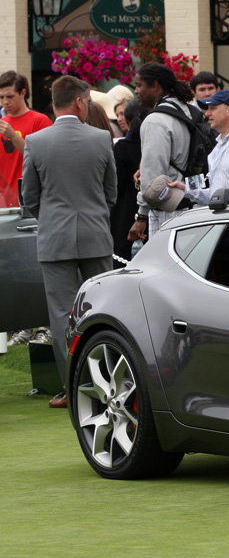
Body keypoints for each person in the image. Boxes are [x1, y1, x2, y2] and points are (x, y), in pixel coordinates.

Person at [21, 75, 116, 409]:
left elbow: (29, 196)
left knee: (62, 316)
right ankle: (109, 382)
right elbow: (111, 194)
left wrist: (50, 219)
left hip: (54, 238)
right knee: (104, 311)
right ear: (79, 101)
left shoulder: (36, 141)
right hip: (95, 235)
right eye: (88, 101)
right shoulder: (102, 138)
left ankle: (71, 388)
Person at [129, 62, 196, 243]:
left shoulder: (155, 121)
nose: (136, 91)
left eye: (139, 85)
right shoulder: (190, 110)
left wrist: (141, 216)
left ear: (155, 86)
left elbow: (153, 176)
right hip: (195, 202)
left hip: (167, 209)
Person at [0, 70, 52, 208]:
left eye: (10, 96)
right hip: (4, 203)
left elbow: (45, 160)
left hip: (32, 202)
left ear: (23, 93)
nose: (5, 102)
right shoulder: (2, 123)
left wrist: (13, 136)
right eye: (1, 97)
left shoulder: (40, 121)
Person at [112, 101, 146, 265]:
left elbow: (116, 185)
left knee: (120, 263)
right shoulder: (151, 144)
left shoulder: (123, 147)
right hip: (150, 211)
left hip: (124, 214)